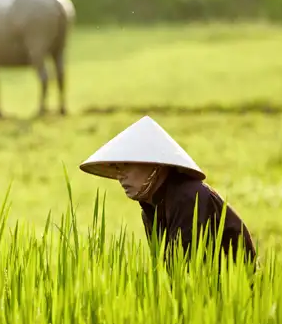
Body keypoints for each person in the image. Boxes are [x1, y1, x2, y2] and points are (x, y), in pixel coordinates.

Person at [79, 115, 256, 269]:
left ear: (153, 163)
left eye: (126, 165)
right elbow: (168, 273)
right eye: (117, 169)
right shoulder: (150, 209)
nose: (120, 177)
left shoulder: (188, 198)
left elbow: (185, 271)